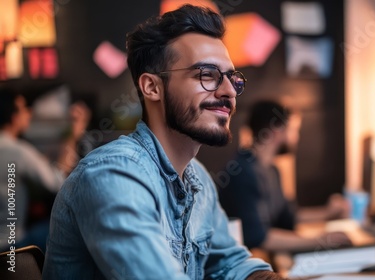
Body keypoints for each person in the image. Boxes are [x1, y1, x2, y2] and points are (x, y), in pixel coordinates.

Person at [43, 5, 285, 280]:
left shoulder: (198, 179)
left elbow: (231, 265)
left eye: (232, 78)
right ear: (152, 88)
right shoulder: (113, 175)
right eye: (207, 74)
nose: (230, 91)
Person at [218, 100, 352, 253]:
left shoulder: (272, 170)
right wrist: (321, 240)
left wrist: (328, 212)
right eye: (294, 129)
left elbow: (289, 217)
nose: (297, 137)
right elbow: (260, 239)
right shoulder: (243, 172)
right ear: (276, 130)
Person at [0, 87, 90, 252]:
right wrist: (73, 135)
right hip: (10, 247)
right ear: (14, 118)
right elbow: (57, 181)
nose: (29, 113)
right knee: (75, 226)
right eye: (24, 109)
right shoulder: (17, 151)